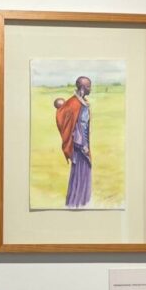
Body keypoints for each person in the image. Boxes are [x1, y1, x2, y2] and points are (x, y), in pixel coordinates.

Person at [55, 76, 92, 208]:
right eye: (88, 86)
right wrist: (83, 146)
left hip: (84, 145)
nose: (90, 89)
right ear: (82, 87)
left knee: (85, 174)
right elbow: (73, 127)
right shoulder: (74, 103)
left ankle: (82, 202)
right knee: (79, 175)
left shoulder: (82, 102)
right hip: (79, 148)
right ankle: (75, 203)